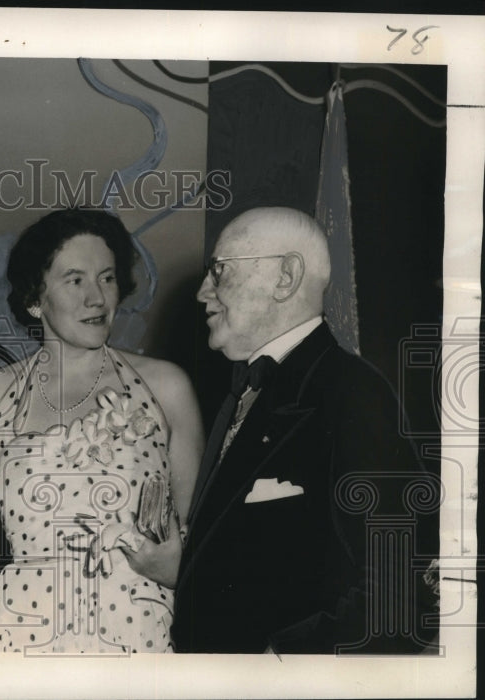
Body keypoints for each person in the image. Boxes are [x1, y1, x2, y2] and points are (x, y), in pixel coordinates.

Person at [172, 206, 439, 654]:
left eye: (219, 271)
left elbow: (403, 593)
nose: (203, 292)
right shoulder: (243, 389)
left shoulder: (353, 393)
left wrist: (282, 666)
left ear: (286, 277)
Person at [0, 208, 204, 653]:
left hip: (138, 639)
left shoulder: (166, 387)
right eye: (75, 280)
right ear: (35, 298)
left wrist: (176, 568)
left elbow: (202, 540)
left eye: (107, 278)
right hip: (23, 640)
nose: (97, 298)